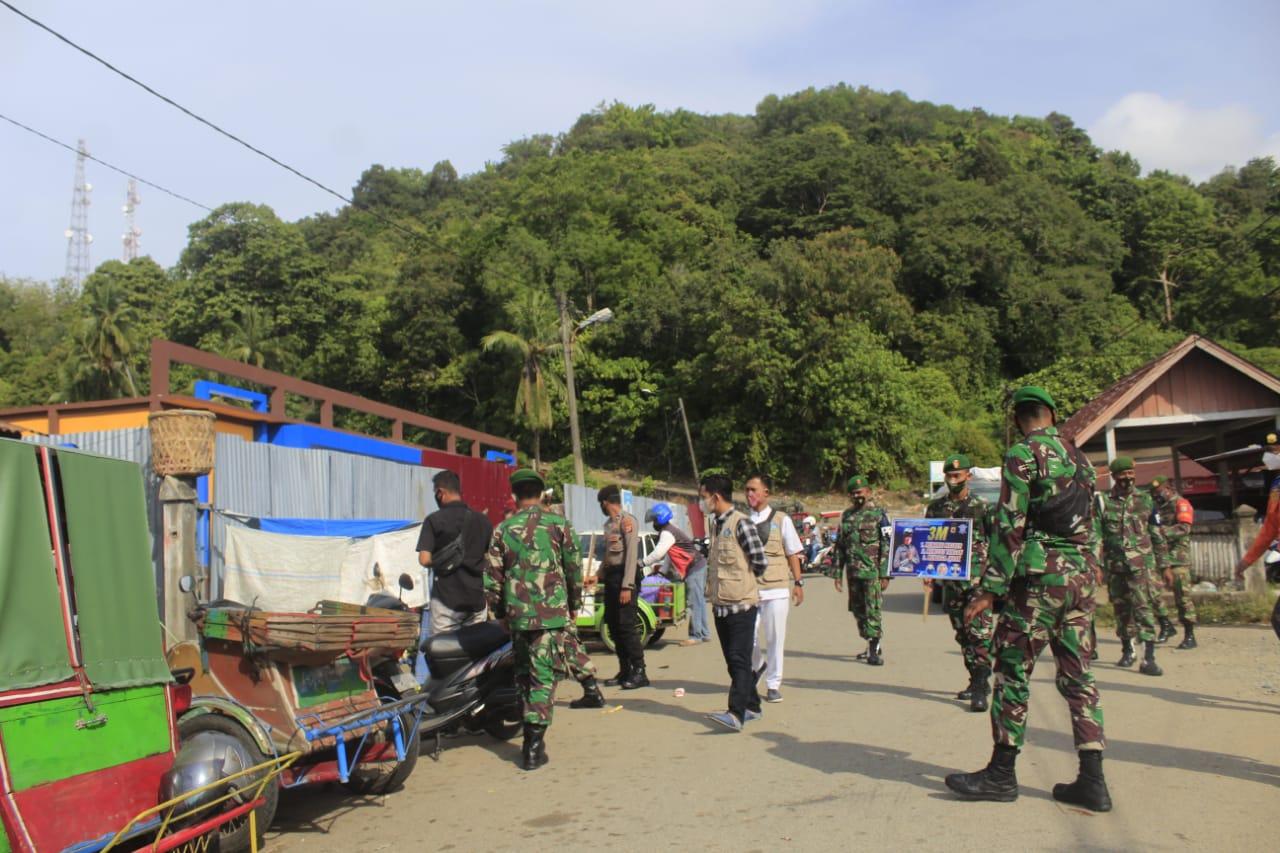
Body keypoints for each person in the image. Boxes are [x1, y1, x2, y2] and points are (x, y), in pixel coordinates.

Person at [945, 386, 1110, 812]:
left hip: (1040, 580)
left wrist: (990, 589)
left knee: (1012, 670)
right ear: (1053, 414)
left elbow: (1010, 525)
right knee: (1079, 676)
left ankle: (1001, 774)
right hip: (1081, 578)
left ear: (1017, 419)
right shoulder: (1081, 458)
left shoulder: (1023, 454)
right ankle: (1093, 779)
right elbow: (1092, 522)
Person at [485, 468, 585, 770]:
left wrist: (500, 613)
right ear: (541, 494)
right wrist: (575, 605)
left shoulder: (502, 529)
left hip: (518, 617)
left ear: (515, 496)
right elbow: (574, 568)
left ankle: (531, 736)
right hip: (550, 617)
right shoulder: (559, 525)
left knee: (524, 676)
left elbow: (492, 577)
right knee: (543, 679)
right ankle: (532, 745)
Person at [925, 453, 995, 713]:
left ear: (968, 476)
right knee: (962, 634)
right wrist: (926, 572)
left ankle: (979, 686)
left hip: (978, 581)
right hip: (951, 582)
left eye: (958, 475)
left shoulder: (983, 506)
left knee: (979, 633)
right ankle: (976, 676)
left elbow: (997, 542)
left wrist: (994, 581)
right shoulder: (936, 508)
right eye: (949, 475)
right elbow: (927, 544)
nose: (954, 479)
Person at [700, 473, 768, 731]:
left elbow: (760, 561)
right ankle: (752, 705)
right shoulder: (716, 524)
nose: (701, 502)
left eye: (703, 496)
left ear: (715, 497)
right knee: (732, 660)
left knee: (739, 659)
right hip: (721, 605)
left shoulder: (742, 523)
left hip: (741, 605)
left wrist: (744, 582)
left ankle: (736, 713)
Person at [1096, 457, 1163, 676]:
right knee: (1121, 610)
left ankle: (1149, 658)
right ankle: (1127, 650)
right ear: (1114, 477)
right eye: (1122, 474)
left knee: (1144, 609)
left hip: (1141, 566)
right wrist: (1096, 565)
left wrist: (1165, 565)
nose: (1127, 477)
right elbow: (1096, 536)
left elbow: (1155, 533)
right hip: (1116, 566)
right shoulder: (1104, 502)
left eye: (1130, 473)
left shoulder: (1145, 500)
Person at [745, 474, 805, 703]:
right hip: (749, 590)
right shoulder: (742, 520)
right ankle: (758, 665)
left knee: (775, 638)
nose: (749, 494)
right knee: (747, 637)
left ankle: (773, 683)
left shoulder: (782, 520)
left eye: (754, 490)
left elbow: (792, 552)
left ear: (766, 493)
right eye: (747, 490)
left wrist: (798, 583)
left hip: (777, 589)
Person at [417, 470, 494, 634]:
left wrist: (443, 561)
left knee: (443, 652)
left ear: (440, 493)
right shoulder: (483, 521)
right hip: (476, 601)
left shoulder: (434, 520)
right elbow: (492, 558)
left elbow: (424, 559)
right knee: (476, 653)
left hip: (446, 601)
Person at [832, 474, 890, 666]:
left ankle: (874, 648)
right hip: (853, 573)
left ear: (868, 492)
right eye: (853, 493)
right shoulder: (847, 516)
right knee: (857, 610)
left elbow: (887, 544)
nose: (857, 496)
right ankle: (870, 642)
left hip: (872, 572)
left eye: (860, 492)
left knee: (872, 610)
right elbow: (840, 546)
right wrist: (837, 573)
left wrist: (885, 573)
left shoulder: (879, 515)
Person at [597, 485, 648, 689]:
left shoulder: (627, 522)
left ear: (605, 502)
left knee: (627, 626)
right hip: (611, 577)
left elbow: (630, 557)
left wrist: (627, 586)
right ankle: (624, 669)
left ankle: (640, 671)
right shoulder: (609, 525)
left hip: (625, 578)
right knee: (613, 624)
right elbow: (610, 556)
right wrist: (597, 575)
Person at [640, 502, 710, 646]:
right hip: (698, 565)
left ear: (660, 519)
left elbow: (658, 553)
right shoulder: (671, 530)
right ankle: (704, 633)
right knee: (699, 600)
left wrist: (642, 562)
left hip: (694, 567)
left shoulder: (667, 533)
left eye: (654, 520)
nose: (653, 523)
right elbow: (670, 555)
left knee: (694, 601)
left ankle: (696, 635)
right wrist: (662, 572)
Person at [1235, 433, 1280, 641]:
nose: (1272, 455)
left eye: (1276, 450)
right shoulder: (1276, 484)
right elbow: (1269, 529)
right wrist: (1247, 560)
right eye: (1269, 451)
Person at [1149, 475, 1198, 649]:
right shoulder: (1156, 508)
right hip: (1159, 558)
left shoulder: (1181, 503)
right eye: (1154, 493)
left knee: (1182, 598)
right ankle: (1165, 625)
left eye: (1159, 491)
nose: (1157, 495)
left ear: (1168, 489)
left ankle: (1189, 635)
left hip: (1178, 558)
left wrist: (1162, 532)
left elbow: (1184, 528)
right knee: (1151, 590)